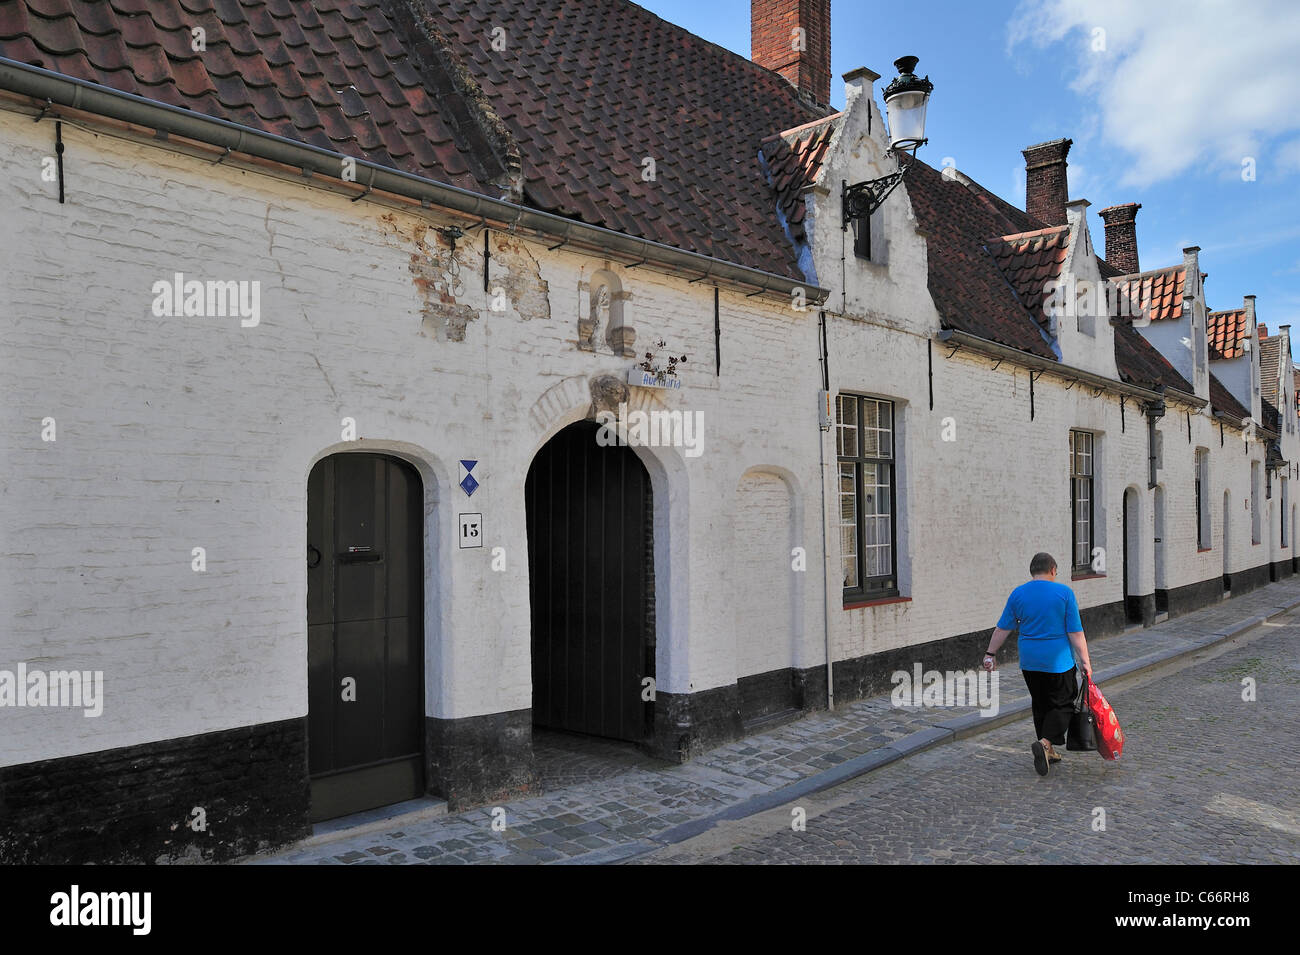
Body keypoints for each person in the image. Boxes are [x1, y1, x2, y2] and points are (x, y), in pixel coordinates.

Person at [982, 552, 1093, 776]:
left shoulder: (1018, 594)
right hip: (1058, 661)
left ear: (1032, 571)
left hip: (1030, 661)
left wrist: (990, 654)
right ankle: (1044, 743)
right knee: (1064, 702)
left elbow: (1002, 628)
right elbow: (1075, 632)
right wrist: (1085, 662)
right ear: (1053, 570)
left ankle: (1048, 750)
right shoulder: (1064, 593)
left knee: (1041, 703)